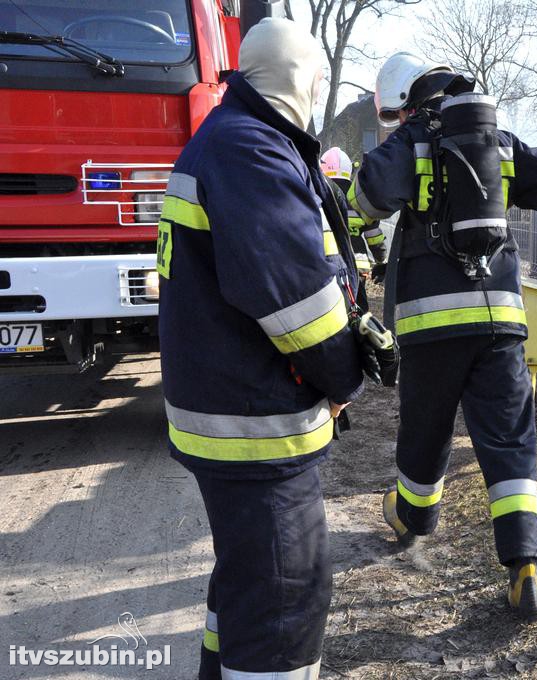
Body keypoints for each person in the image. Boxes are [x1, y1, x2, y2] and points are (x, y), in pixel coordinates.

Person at [157, 18, 364, 680]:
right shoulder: (252, 151)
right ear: (301, 80)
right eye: (316, 78)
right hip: (256, 428)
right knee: (283, 607)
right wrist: (347, 377)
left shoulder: (233, 140)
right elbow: (298, 305)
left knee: (245, 586)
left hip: (235, 412)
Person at [347, 52, 537, 622]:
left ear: (405, 102)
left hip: (431, 324)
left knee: (426, 430)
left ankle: (413, 518)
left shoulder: (413, 140)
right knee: (508, 439)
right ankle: (525, 564)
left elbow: (366, 197)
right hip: (501, 321)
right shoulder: (496, 139)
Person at [320, 147, 386, 311]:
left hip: (328, 263)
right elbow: (373, 235)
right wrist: (381, 260)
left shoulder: (318, 191)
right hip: (358, 264)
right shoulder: (359, 194)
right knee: (359, 308)